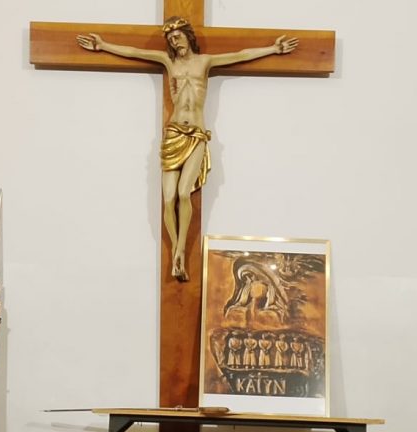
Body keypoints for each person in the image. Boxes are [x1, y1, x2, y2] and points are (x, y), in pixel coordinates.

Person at [77, 18, 298, 281]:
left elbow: (240, 55)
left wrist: (273, 49)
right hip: (173, 134)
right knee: (168, 198)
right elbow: (135, 52)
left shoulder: (204, 62)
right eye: (170, 39)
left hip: (196, 135)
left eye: (178, 36)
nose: (174, 41)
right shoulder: (168, 61)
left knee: (184, 193)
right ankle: (176, 252)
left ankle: (180, 249)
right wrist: (103, 45)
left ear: (188, 37)